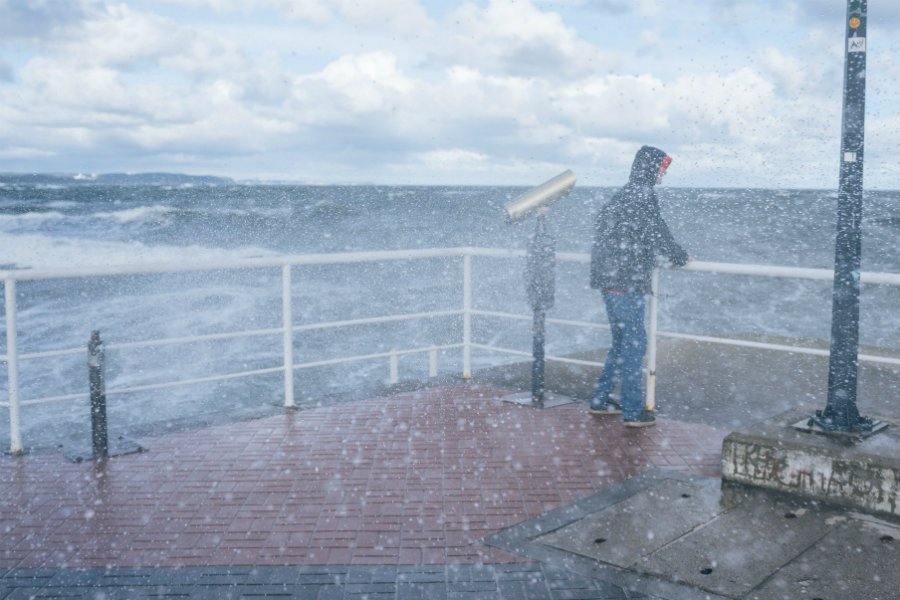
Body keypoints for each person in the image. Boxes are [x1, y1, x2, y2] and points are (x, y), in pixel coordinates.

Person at [589, 145, 690, 427]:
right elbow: (657, 230)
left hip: (608, 279)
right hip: (626, 281)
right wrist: (679, 256)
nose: (663, 176)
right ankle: (633, 412)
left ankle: (600, 399)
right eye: (662, 170)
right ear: (650, 168)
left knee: (621, 342)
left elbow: (619, 232)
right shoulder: (643, 196)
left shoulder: (623, 194)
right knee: (635, 344)